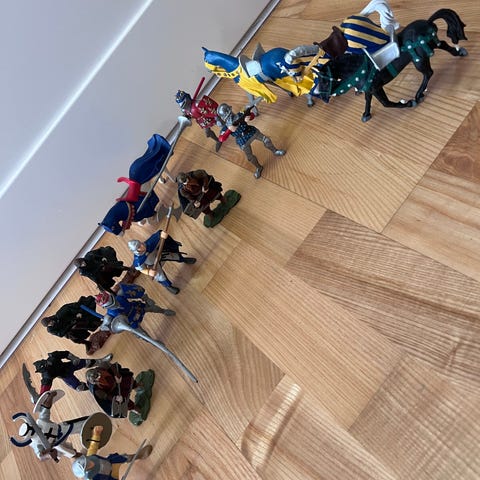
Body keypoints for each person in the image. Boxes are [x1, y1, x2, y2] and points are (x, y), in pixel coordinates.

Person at [10, 390, 86, 461]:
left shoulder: (41, 422)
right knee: (71, 453)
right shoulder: (35, 443)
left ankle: (89, 427)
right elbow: (40, 455)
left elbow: (46, 408)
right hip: (56, 444)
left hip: (61, 429)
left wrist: (51, 397)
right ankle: (82, 458)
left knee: (82, 425)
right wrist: (48, 455)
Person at [216, 103, 286, 179]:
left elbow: (252, 115)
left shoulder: (240, 114)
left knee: (266, 140)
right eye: (227, 116)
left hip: (251, 131)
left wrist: (249, 117)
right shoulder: (226, 128)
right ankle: (259, 167)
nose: (230, 117)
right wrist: (229, 130)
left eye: (230, 113)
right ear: (224, 118)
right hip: (242, 140)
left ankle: (275, 151)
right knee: (250, 157)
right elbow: (221, 138)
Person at [128, 230, 196, 295]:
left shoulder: (148, 244)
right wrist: (148, 272)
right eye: (139, 247)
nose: (142, 246)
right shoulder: (138, 260)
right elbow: (141, 269)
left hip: (160, 254)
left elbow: (157, 236)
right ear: (136, 251)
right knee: (160, 276)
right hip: (153, 264)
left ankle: (183, 259)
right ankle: (168, 286)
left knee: (174, 255)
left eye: (140, 244)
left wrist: (162, 235)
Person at [71, 425, 152, 479]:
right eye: (87, 466)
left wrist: (96, 434)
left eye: (87, 461)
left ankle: (139, 455)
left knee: (124, 457)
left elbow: (93, 446)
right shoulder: (92, 478)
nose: (90, 462)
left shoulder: (90, 456)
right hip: (111, 477)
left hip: (111, 462)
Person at [32, 350, 113, 394]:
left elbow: (66, 353)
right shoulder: (47, 375)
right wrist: (41, 397)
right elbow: (45, 388)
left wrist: (73, 358)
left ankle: (102, 361)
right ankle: (93, 388)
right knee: (79, 387)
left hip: (69, 366)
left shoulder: (53, 357)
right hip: (65, 375)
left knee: (87, 362)